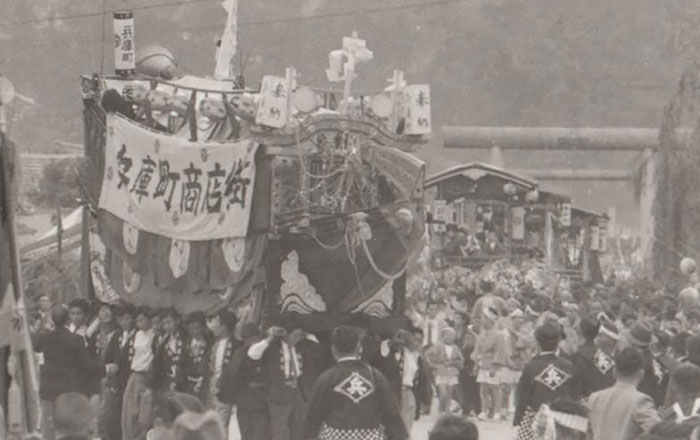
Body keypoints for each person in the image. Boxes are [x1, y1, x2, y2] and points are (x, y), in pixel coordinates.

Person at [303, 326, 408, 440]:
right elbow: (392, 413)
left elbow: (312, 417)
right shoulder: (375, 376)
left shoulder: (327, 378)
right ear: (359, 348)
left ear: (333, 349)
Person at [34, 305, 101, 440]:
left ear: (52, 320)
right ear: (68, 320)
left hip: (49, 391)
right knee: (70, 428)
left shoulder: (44, 338)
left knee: (49, 429)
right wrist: (105, 369)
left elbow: (36, 347)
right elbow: (87, 365)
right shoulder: (76, 339)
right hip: (69, 392)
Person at [248, 320, 322, 440]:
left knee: (300, 422)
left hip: (297, 388)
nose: (297, 339)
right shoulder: (273, 346)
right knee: (280, 426)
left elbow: (316, 345)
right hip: (279, 388)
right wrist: (269, 337)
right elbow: (253, 354)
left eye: (299, 336)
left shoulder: (301, 346)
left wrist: (306, 334)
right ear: (285, 334)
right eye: (295, 336)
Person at [514, 323, 576, 439]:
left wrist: (518, 419)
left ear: (537, 343)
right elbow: (573, 394)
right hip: (563, 421)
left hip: (537, 420)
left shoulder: (531, 367)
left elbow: (522, 396)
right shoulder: (568, 366)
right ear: (558, 343)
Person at [587, 347, 661, 440]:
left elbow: (589, 434)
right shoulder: (640, 401)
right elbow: (660, 432)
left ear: (614, 372)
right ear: (641, 374)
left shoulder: (594, 398)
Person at [218, 323, 269, 440]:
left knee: (260, 435)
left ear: (259, 337)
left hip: (262, 400)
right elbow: (230, 373)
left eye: (253, 338)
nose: (250, 342)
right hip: (244, 399)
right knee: (246, 434)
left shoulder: (267, 352)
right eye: (247, 340)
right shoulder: (240, 353)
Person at [377, 328, 429, 433]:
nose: (417, 343)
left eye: (420, 340)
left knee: (406, 428)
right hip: (393, 392)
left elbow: (422, 379)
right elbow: (385, 349)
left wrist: (425, 399)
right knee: (392, 426)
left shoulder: (416, 356)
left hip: (409, 392)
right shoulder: (394, 352)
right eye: (415, 339)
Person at [122, 306, 156, 440]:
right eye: (137, 320)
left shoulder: (154, 335)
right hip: (135, 374)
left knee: (145, 414)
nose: (139, 323)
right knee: (130, 411)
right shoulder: (137, 335)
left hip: (147, 375)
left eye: (142, 320)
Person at [103, 304, 137, 440]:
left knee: (129, 415)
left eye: (128, 318)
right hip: (116, 380)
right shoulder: (117, 335)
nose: (126, 322)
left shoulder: (137, 335)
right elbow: (108, 356)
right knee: (112, 414)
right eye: (122, 319)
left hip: (130, 378)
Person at [205, 309, 240, 435]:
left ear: (224, 326)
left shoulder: (237, 345)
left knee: (221, 422)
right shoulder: (213, 343)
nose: (212, 326)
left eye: (215, 323)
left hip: (225, 386)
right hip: (211, 383)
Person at [571, 315, 615, 399]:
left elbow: (577, 386)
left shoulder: (578, 357)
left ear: (579, 331)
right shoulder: (605, 355)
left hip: (589, 400)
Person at [427, 327, 464, 415]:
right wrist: (434, 365)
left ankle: (447, 410)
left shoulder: (455, 348)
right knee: (443, 393)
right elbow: (429, 356)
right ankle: (440, 409)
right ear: (442, 336)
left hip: (451, 373)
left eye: (452, 335)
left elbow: (461, 359)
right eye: (447, 335)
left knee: (449, 394)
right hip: (440, 372)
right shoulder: (437, 346)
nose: (449, 337)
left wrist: (453, 362)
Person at [151, 309, 186, 394]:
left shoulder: (186, 338)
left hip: (185, 382)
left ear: (177, 320)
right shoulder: (164, 342)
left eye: (169, 322)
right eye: (164, 324)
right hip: (168, 382)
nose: (167, 326)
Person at [182, 312, 210, 402]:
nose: (194, 332)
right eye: (191, 329)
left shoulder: (210, 343)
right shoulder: (185, 344)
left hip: (205, 385)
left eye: (197, 328)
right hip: (188, 386)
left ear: (204, 327)